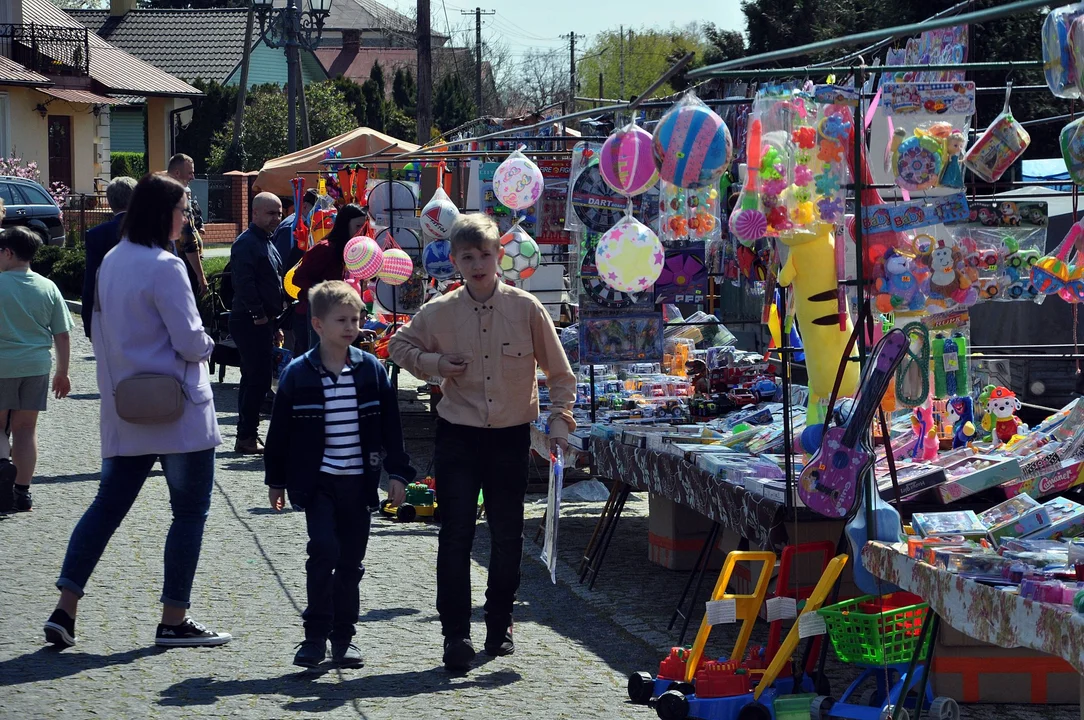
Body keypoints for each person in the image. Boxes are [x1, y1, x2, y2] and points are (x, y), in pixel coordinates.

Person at [44, 172, 230, 650]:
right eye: (184, 209)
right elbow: (190, 342)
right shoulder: (165, 265)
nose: (187, 218)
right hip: (179, 407)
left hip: (126, 403)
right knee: (188, 512)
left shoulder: (112, 260)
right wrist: (210, 343)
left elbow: (99, 331)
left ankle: (66, 606)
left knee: (107, 507)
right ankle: (173, 618)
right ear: (164, 212)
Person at [388, 213, 576, 672]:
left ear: (499, 258)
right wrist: (434, 363)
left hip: (511, 436)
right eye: (467, 257)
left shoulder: (526, 308)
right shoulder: (439, 311)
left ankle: (499, 622)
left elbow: (559, 373)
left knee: (508, 535)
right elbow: (398, 346)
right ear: (454, 261)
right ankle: (455, 635)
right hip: (458, 435)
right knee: (456, 535)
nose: (477, 264)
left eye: (485, 255)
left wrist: (560, 421)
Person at [266, 280, 415, 668]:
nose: (351, 327)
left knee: (350, 561)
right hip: (318, 482)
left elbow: (391, 426)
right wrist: (276, 480)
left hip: (359, 482)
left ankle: (344, 637)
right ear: (317, 324)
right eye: (342, 320)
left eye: (356, 319)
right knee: (323, 551)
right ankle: (314, 636)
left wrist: (397, 473)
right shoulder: (298, 375)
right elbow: (279, 432)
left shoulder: (370, 371)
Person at [0, 226, 72, 513]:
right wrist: (62, 372)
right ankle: (23, 491)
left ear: (7, 253)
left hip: (2, 364)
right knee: (26, 429)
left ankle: (3, 468)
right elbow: (63, 335)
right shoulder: (48, 287)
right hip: (37, 366)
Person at [229, 192, 285, 455]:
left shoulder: (266, 241)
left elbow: (271, 281)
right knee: (258, 380)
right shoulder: (246, 243)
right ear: (255, 213)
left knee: (253, 378)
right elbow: (244, 283)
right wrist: (258, 315)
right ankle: (247, 436)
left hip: (264, 321)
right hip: (250, 321)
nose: (277, 218)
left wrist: (274, 322)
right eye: (271, 213)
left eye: (279, 213)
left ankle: (246, 434)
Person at [293, 203, 368, 353]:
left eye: (364, 227)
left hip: (332, 313)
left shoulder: (347, 251)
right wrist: (326, 292)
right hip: (314, 312)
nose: (361, 232)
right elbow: (298, 278)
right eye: (358, 226)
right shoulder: (325, 249)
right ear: (345, 225)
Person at [82, 176, 137, 339]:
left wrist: (88, 323)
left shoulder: (96, 234)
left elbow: (91, 281)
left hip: (110, 313)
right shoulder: (155, 230)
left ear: (110, 202)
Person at [167, 153, 208, 298]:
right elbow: (189, 242)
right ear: (177, 173)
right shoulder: (178, 200)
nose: (193, 177)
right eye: (190, 172)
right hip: (182, 267)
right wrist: (200, 276)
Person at [273, 188, 319, 272]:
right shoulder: (290, 227)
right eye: (317, 209)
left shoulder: (306, 224)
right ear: (304, 206)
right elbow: (280, 262)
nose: (319, 213)